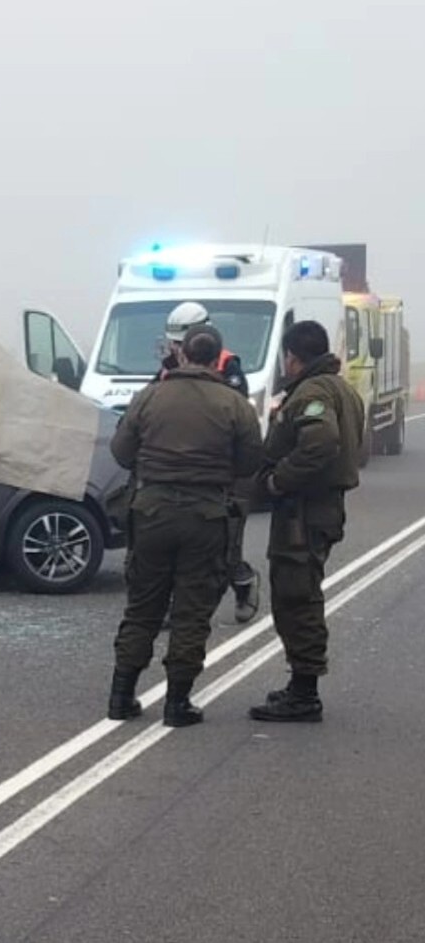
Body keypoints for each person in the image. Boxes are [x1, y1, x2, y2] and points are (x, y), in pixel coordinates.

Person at [107, 325, 264, 726]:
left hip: (151, 512)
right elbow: (249, 464)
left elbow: (122, 453)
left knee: (143, 606)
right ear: (216, 360)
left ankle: (121, 696)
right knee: (192, 611)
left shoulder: (149, 397)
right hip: (206, 516)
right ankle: (178, 703)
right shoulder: (235, 405)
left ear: (182, 355)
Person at [248, 320, 364, 722]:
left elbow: (322, 442)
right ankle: (301, 685)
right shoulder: (340, 388)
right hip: (320, 507)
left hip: (304, 510)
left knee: (297, 597)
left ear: (293, 358)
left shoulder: (314, 392)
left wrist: (280, 480)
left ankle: (304, 693)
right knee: (300, 591)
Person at [156, 301, 260, 624]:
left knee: (225, 550)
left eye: (180, 341)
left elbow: (238, 418)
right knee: (177, 547)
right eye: (173, 342)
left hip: (224, 475)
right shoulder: (166, 369)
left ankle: (244, 582)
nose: (176, 348)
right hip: (182, 473)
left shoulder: (228, 368)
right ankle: (179, 609)